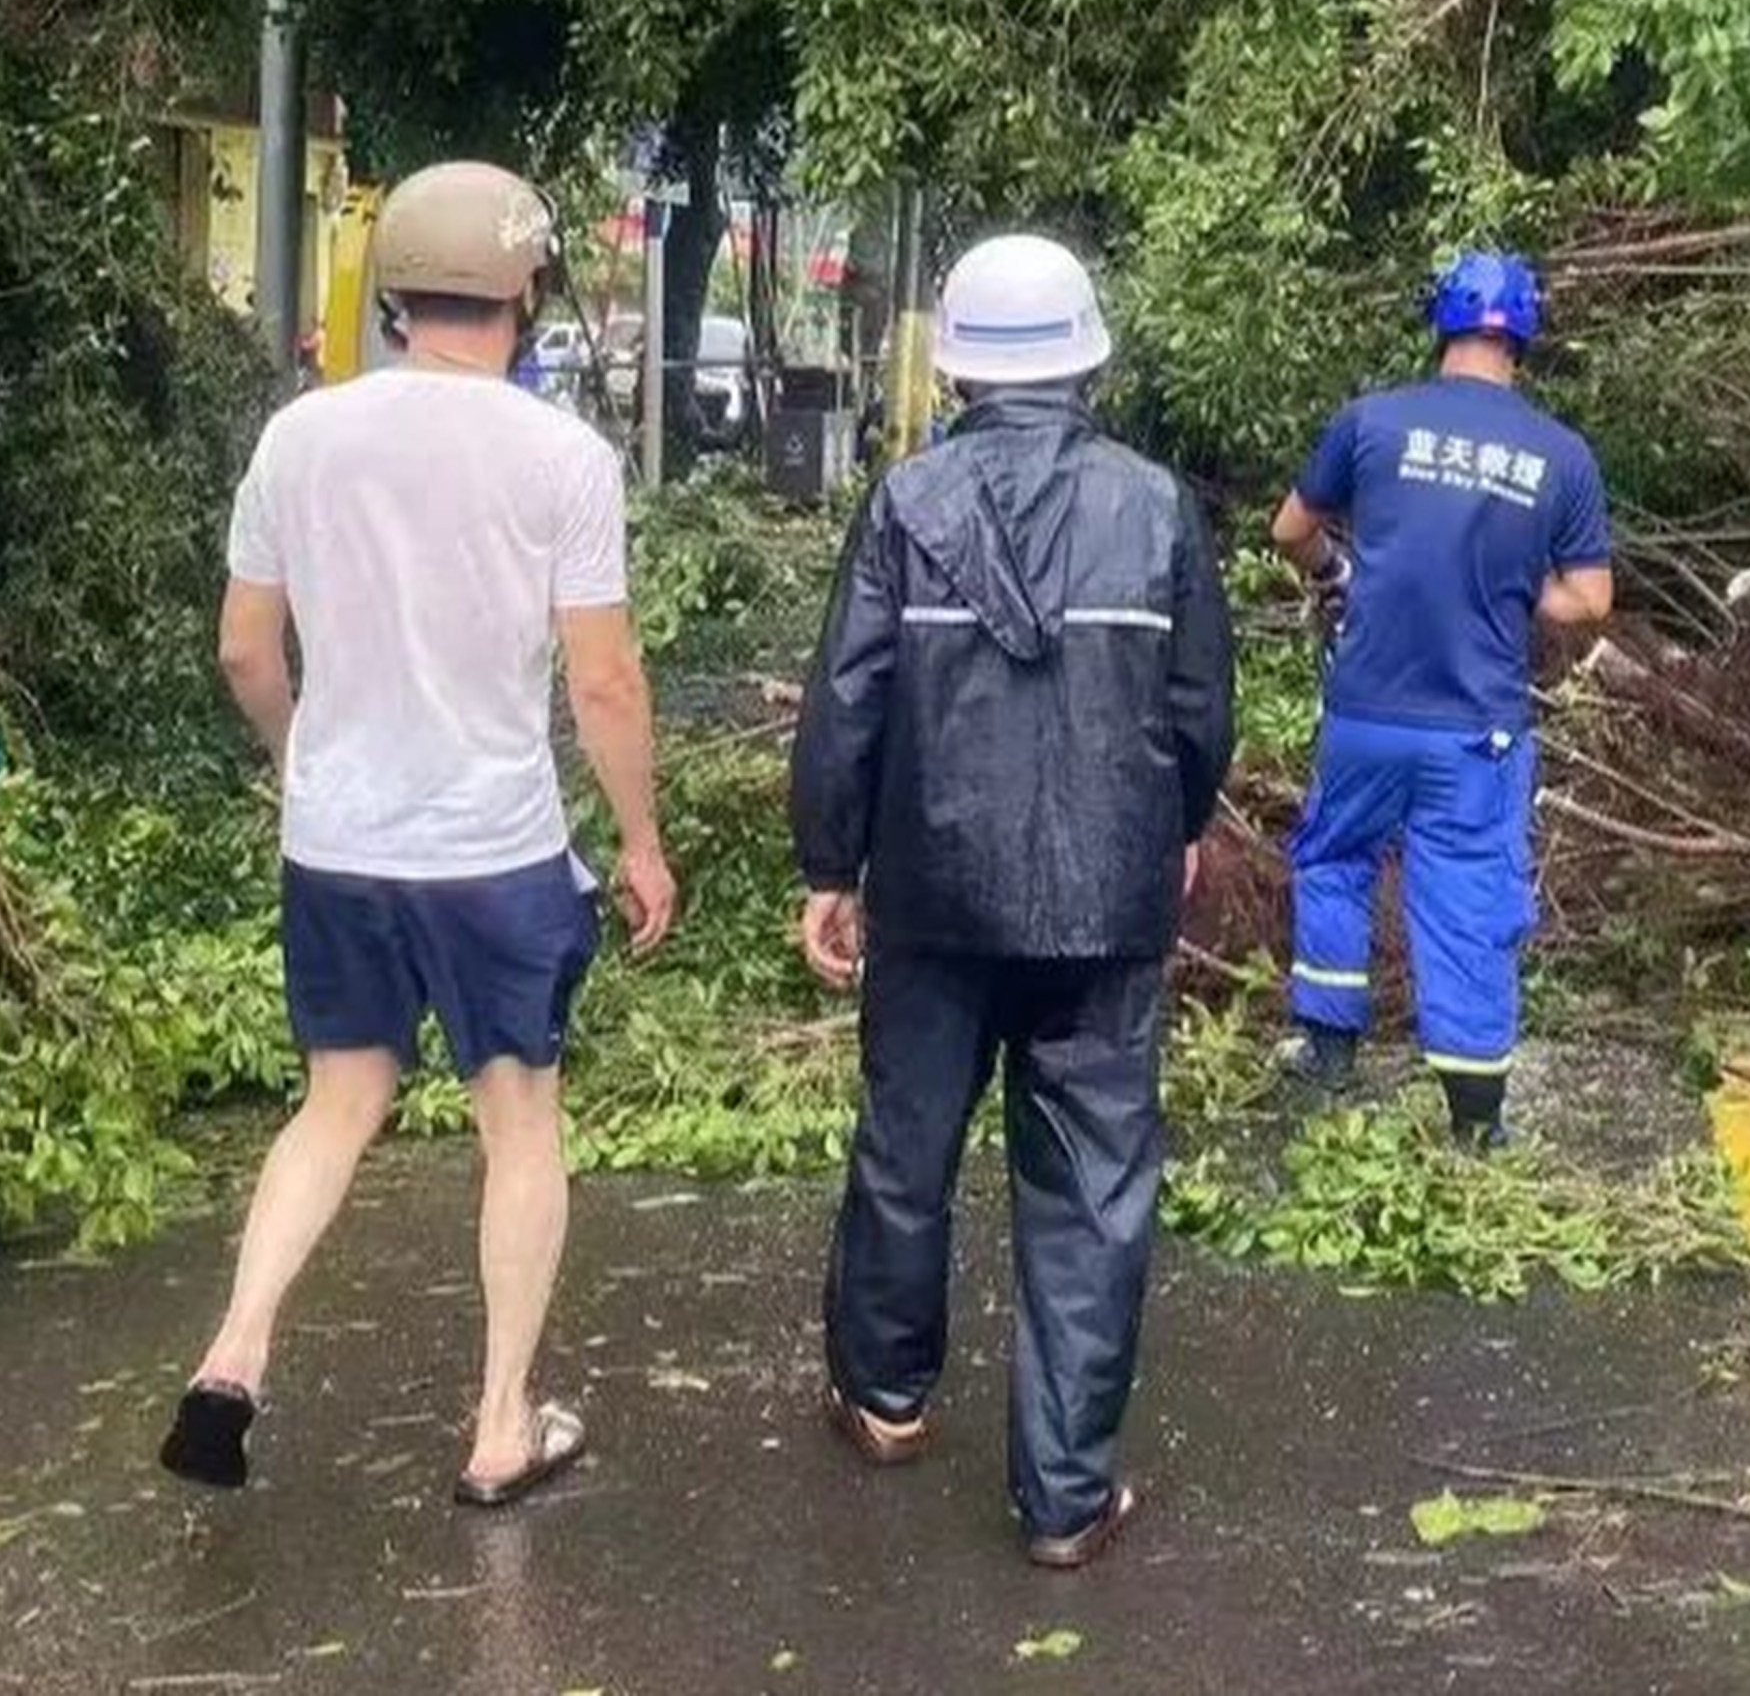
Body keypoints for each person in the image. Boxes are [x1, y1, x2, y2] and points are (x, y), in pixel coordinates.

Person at [163, 162, 679, 1506]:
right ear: (524, 291)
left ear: (391, 290)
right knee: (517, 1120)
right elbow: (605, 681)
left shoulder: (300, 437)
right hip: (491, 850)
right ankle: (502, 1423)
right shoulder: (562, 457)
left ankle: (233, 1352)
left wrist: (301, 763)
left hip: (338, 841)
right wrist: (638, 841)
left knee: (336, 1100)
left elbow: (242, 647)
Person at [792, 233, 1233, 1571]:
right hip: (1103, 898)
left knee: (904, 1146)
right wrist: (1179, 824)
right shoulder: (1155, 508)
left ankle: (884, 1400)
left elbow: (846, 702)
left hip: (929, 896)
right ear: (1088, 357)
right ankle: (1062, 1500)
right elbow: (1200, 708)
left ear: (962, 365)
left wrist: (830, 864)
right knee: (1092, 1191)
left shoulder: (904, 500)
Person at [1270, 251, 1613, 1144]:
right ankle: (1474, 1121)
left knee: (1335, 858)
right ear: (1525, 336)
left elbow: (1290, 530)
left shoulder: (1372, 421)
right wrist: (1516, 583)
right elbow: (1590, 600)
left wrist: (1337, 569)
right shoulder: (1560, 456)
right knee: (1465, 893)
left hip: (1366, 713)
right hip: (1475, 727)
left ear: (1443, 325)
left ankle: (1326, 1053)